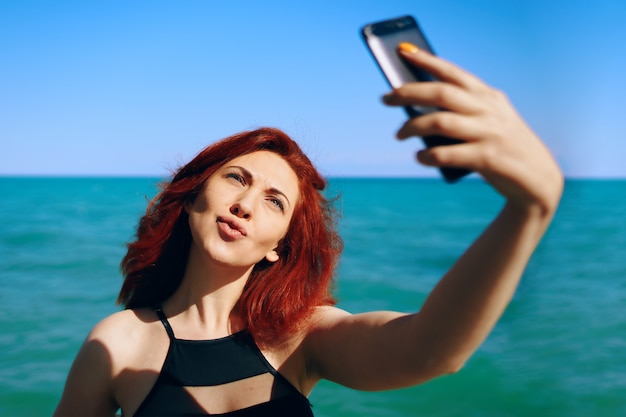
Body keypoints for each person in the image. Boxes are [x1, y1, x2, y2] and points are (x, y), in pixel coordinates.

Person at [53, 41, 563, 417]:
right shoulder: (117, 342)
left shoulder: (299, 335)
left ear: (279, 247)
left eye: (274, 202)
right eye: (236, 178)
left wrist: (527, 211)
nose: (246, 204)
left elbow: (430, 350)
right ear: (192, 198)